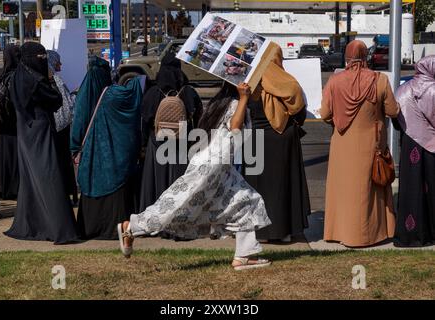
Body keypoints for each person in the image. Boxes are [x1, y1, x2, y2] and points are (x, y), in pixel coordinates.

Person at [118, 82, 272, 270]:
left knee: (247, 201)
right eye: (258, 86)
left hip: (220, 168)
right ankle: (131, 227)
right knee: (176, 206)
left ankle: (244, 256)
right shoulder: (234, 104)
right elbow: (235, 128)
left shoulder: (223, 103)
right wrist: (244, 98)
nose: (260, 90)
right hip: (209, 168)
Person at [320, 40, 400, 247]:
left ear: (346, 57)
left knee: (344, 188)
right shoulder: (379, 80)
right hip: (371, 144)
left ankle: (340, 232)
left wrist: (337, 120)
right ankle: (367, 235)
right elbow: (392, 111)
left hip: (342, 142)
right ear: (366, 57)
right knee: (368, 189)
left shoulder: (334, 81)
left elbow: (325, 113)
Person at [4, 42, 78, 244]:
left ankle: (33, 224)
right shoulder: (35, 79)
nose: (44, 61)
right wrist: (51, 80)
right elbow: (55, 101)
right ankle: (59, 229)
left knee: (31, 181)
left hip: (25, 133)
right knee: (49, 177)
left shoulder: (17, 76)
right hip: (40, 132)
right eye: (41, 57)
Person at [245, 42, 311, 242]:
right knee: (283, 186)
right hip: (282, 140)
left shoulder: (250, 80)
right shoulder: (288, 82)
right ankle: (284, 232)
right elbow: (299, 109)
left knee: (258, 188)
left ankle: (261, 232)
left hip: (254, 140)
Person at [71, 57, 143, 240]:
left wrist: (74, 147)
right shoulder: (115, 95)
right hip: (119, 161)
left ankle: (91, 228)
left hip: (93, 155)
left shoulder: (87, 94)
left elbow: (79, 122)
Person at [139, 53, 202, 212]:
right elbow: (198, 118)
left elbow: (144, 120)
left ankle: (154, 218)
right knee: (178, 182)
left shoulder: (153, 92)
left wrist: (144, 144)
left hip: (157, 142)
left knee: (156, 181)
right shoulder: (188, 91)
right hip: (181, 143)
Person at [394, 56, 435, 247]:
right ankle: (430, 233)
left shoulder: (404, 88)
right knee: (430, 189)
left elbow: (395, 119)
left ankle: (410, 234)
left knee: (411, 188)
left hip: (409, 143)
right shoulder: (432, 89)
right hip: (430, 148)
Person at [47, 50, 78, 205]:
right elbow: (68, 105)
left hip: (51, 129)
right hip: (62, 129)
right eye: (58, 61)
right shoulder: (56, 80)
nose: (60, 64)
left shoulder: (46, 79)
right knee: (65, 163)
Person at [0, 44, 20, 200]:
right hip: (15, 122)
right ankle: (15, 188)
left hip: (3, 123)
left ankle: (4, 187)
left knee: (4, 154)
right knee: (16, 155)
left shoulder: (0, 74)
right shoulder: (18, 76)